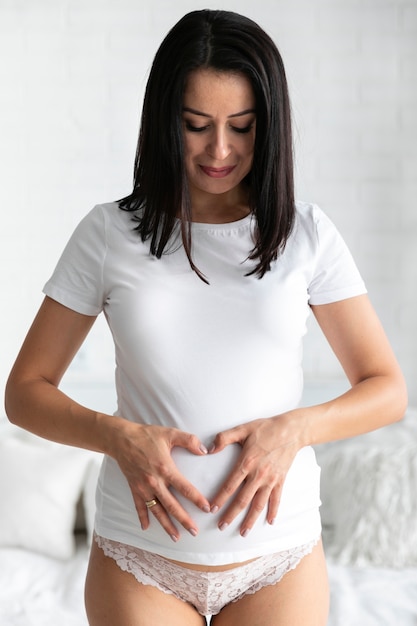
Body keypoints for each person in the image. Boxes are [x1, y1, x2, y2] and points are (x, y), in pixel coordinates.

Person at [4, 9, 407, 626]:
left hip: (280, 557)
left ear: (268, 127)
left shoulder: (307, 235)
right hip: (140, 558)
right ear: (165, 123)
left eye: (242, 127)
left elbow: (386, 390)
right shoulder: (109, 234)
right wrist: (118, 435)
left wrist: (294, 429)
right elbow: (25, 393)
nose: (220, 150)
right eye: (196, 126)